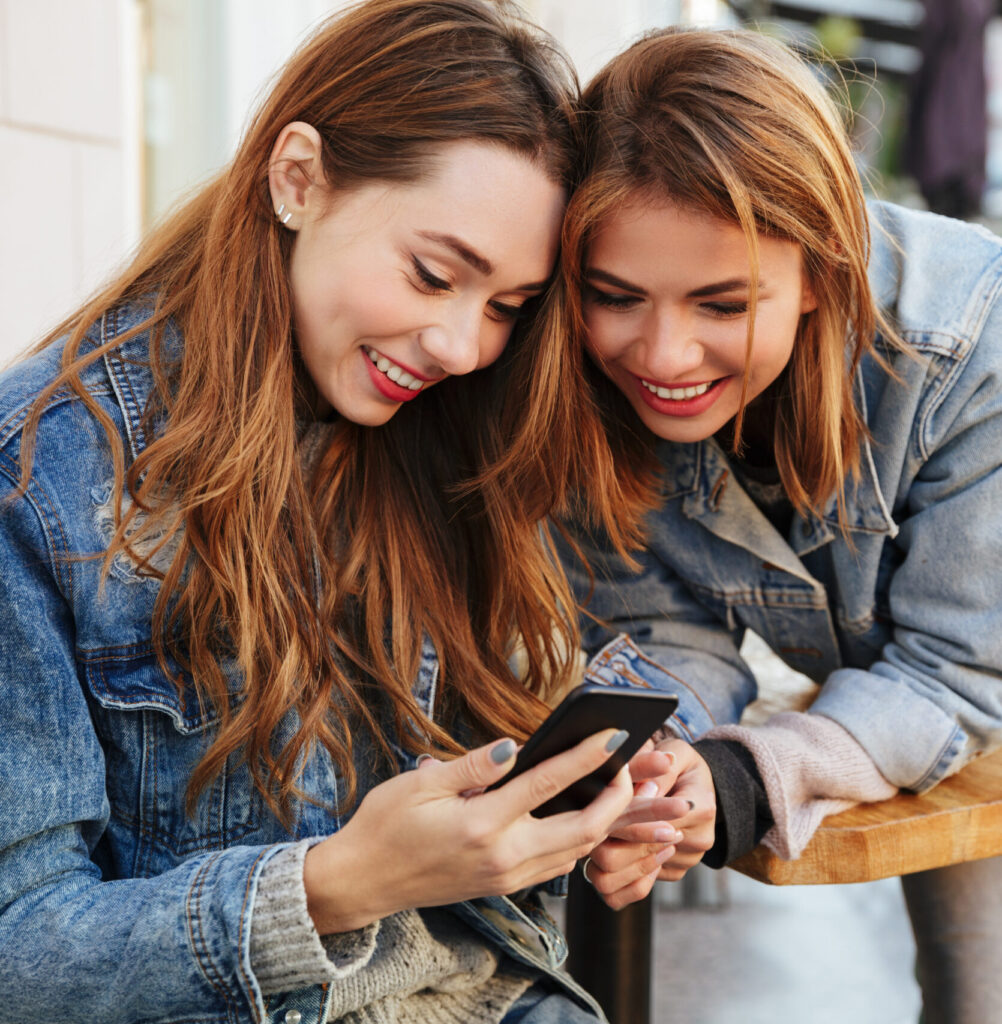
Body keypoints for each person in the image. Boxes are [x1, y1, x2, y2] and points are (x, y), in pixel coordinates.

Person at [0, 3, 689, 1021]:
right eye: (433, 273)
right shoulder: (42, 482)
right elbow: (20, 950)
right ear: (297, 178)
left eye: (505, 306)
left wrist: (574, 807)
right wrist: (331, 885)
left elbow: (467, 862)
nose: (462, 344)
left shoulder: (444, 435)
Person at [555, 26, 1002, 1024]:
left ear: (819, 268)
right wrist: (661, 759)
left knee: (983, 989)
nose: (662, 356)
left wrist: (746, 777)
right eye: (616, 296)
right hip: (934, 678)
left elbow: (956, 674)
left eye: (722, 302)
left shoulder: (973, 346)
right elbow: (663, 624)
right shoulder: (587, 379)